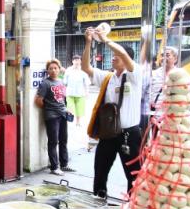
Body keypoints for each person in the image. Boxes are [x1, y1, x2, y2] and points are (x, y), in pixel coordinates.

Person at [81, 27, 142, 198]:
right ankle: (99, 197)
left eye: (117, 55)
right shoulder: (108, 77)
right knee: (100, 169)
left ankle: (133, 204)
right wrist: (88, 42)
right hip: (108, 133)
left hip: (129, 134)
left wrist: (106, 39)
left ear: (126, 59)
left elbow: (121, 52)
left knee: (133, 172)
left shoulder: (134, 75)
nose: (113, 57)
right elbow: (86, 67)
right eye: (113, 55)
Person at [35, 59, 76, 176]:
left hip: (63, 114)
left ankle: (64, 164)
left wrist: (66, 109)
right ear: (47, 70)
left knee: (64, 140)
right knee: (53, 141)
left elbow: (62, 99)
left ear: (59, 69)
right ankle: (54, 167)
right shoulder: (45, 83)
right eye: (50, 68)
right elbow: (38, 101)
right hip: (52, 116)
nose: (53, 70)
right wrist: (50, 108)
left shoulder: (61, 82)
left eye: (55, 68)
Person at [149, 46, 179, 112]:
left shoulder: (180, 74)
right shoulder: (154, 73)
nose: (164, 58)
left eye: (167, 55)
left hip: (172, 114)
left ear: (175, 59)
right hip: (155, 114)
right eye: (162, 55)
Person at [63, 55, 90, 126]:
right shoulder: (68, 70)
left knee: (79, 109)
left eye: (78, 60)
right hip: (70, 93)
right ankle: (70, 119)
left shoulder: (83, 70)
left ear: (80, 61)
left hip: (80, 93)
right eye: (75, 60)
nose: (76, 62)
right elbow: (65, 82)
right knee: (70, 107)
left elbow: (87, 83)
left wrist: (87, 92)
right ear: (72, 61)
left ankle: (78, 122)